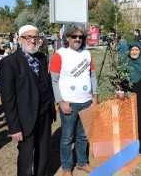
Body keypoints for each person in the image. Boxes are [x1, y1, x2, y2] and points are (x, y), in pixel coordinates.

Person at [0, 25, 56, 176]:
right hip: (25, 119)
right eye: (28, 37)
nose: (32, 40)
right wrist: (14, 127)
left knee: (44, 153)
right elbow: (8, 99)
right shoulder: (9, 63)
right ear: (19, 40)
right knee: (26, 157)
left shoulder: (42, 59)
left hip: (44, 115)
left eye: (35, 37)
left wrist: (51, 107)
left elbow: (46, 85)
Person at [50, 23, 98, 176]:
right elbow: (54, 80)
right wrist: (60, 102)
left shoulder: (87, 54)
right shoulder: (59, 54)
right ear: (67, 37)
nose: (78, 39)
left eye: (81, 36)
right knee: (67, 138)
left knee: (83, 136)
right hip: (69, 104)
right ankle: (66, 167)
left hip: (86, 102)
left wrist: (95, 96)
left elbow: (92, 75)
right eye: (74, 36)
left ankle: (82, 163)